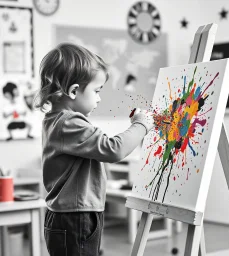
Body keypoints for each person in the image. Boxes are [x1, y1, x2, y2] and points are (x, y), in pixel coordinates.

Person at [34, 43, 155, 256]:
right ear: (73, 91)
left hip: (70, 215)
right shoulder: (69, 123)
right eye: (96, 91)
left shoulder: (57, 121)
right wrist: (141, 125)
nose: (99, 98)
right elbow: (113, 149)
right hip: (75, 217)